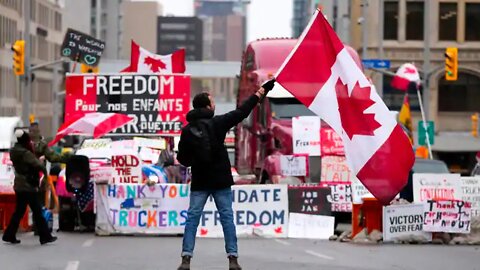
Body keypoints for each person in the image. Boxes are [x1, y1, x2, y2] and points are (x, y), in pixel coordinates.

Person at [176, 78, 276, 270]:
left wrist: (196, 160)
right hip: (220, 180)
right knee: (227, 218)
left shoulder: (187, 130)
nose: (214, 106)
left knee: (192, 218)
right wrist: (261, 92)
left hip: (200, 181)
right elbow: (242, 111)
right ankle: (233, 259)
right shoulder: (218, 123)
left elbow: (183, 158)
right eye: (212, 103)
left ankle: (186, 259)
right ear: (207, 106)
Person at [2, 129, 57, 245]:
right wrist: (41, 163)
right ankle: (45, 236)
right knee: (37, 211)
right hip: (28, 186)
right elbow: (37, 165)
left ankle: (9, 235)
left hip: (19, 184)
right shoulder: (25, 153)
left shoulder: (13, 151)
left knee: (19, 211)